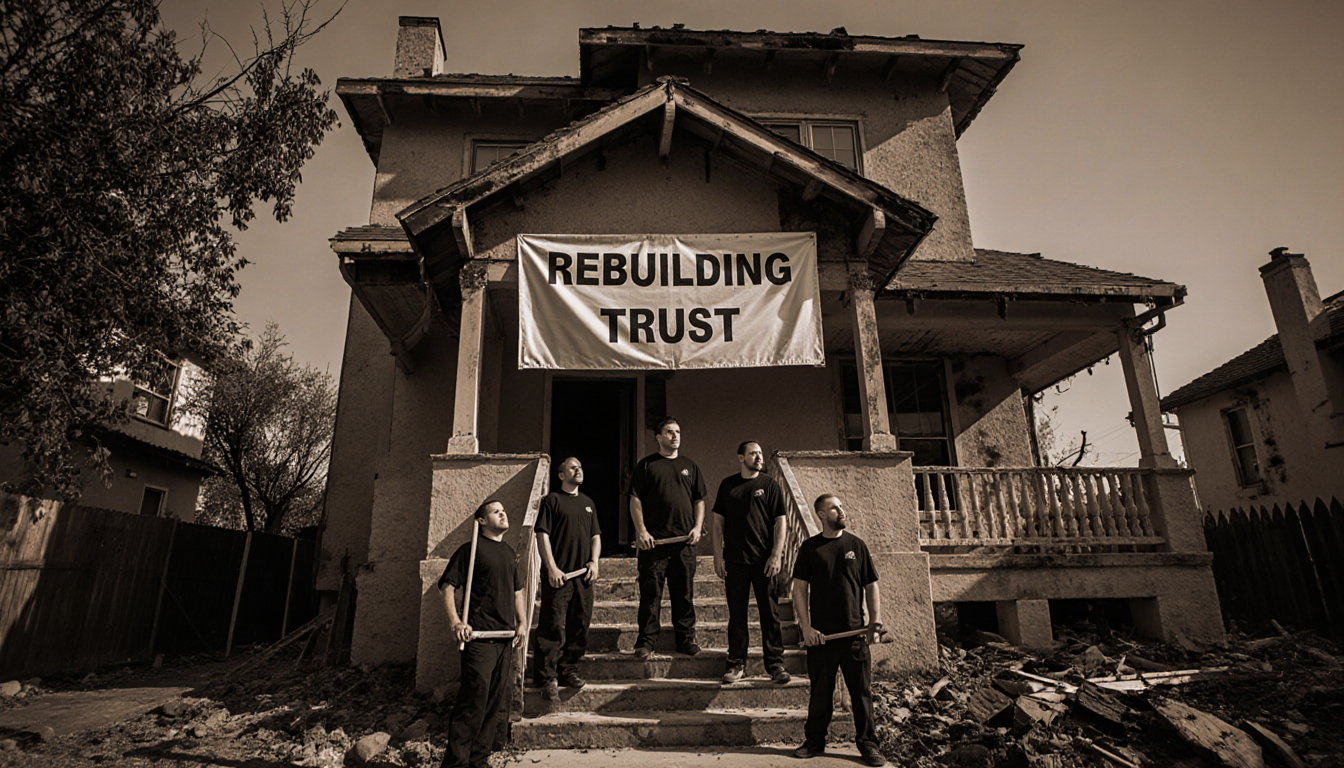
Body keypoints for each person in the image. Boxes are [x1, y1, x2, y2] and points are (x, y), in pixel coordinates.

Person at [791, 494, 886, 767]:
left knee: (861, 694)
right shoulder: (810, 548)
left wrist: (874, 624)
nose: (841, 510)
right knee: (821, 693)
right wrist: (806, 628)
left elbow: (871, 586)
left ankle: (868, 744)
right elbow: (799, 589)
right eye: (834, 507)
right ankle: (815, 741)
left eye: (841, 506)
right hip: (821, 638)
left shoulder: (856, 544)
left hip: (855, 636)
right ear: (821, 515)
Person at [438, 499, 526, 768]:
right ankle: (456, 764)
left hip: (504, 639)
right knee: (472, 703)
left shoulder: (510, 553)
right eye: (495, 511)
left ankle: (479, 761)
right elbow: (447, 586)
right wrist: (456, 623)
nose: (503, 513)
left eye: (504, 509)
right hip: (478, 639)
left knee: (492, 705)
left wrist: (522, 622)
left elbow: (517, 591)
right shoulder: (470, 550)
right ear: (482, 521)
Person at [627, 416, 707, 658]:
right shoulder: (646, 466)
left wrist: (697, 527)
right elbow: (635, 500)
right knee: (651, 595)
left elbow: (699, 500)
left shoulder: (690, 466)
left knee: (684, 595)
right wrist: (642, 531)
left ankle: (686, 640)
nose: (675, 436)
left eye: (678, 432)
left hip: (684, 544)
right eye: (670, 432)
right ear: (659, 437)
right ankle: (646, 641)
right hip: (654, 545)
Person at [711, 440, 790, 685]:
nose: (758, 457)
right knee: (737, 615)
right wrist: (717, 556)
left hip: (764, 561)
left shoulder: (769, 485)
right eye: (752, 453)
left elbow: (781, 522)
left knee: (770, 614)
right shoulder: (728, 485)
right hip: (735, 561)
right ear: (740, 457)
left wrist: (776, 554)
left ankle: (775, 665)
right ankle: (736, 664)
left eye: (760, 454)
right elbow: (717, 525)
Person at [533, 457, 602, 700]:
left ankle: (569, 669)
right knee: (552, 625)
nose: (579, 470)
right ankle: (547, 677)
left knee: (580, 625)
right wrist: (551, 568)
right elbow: (542, 535)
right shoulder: (552, 501)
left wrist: (594, 562)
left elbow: (595, 536)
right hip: (559, 577)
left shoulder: (588, 503)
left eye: (581, 466)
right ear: (561, 475)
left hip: (583, 577)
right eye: (573, 467)